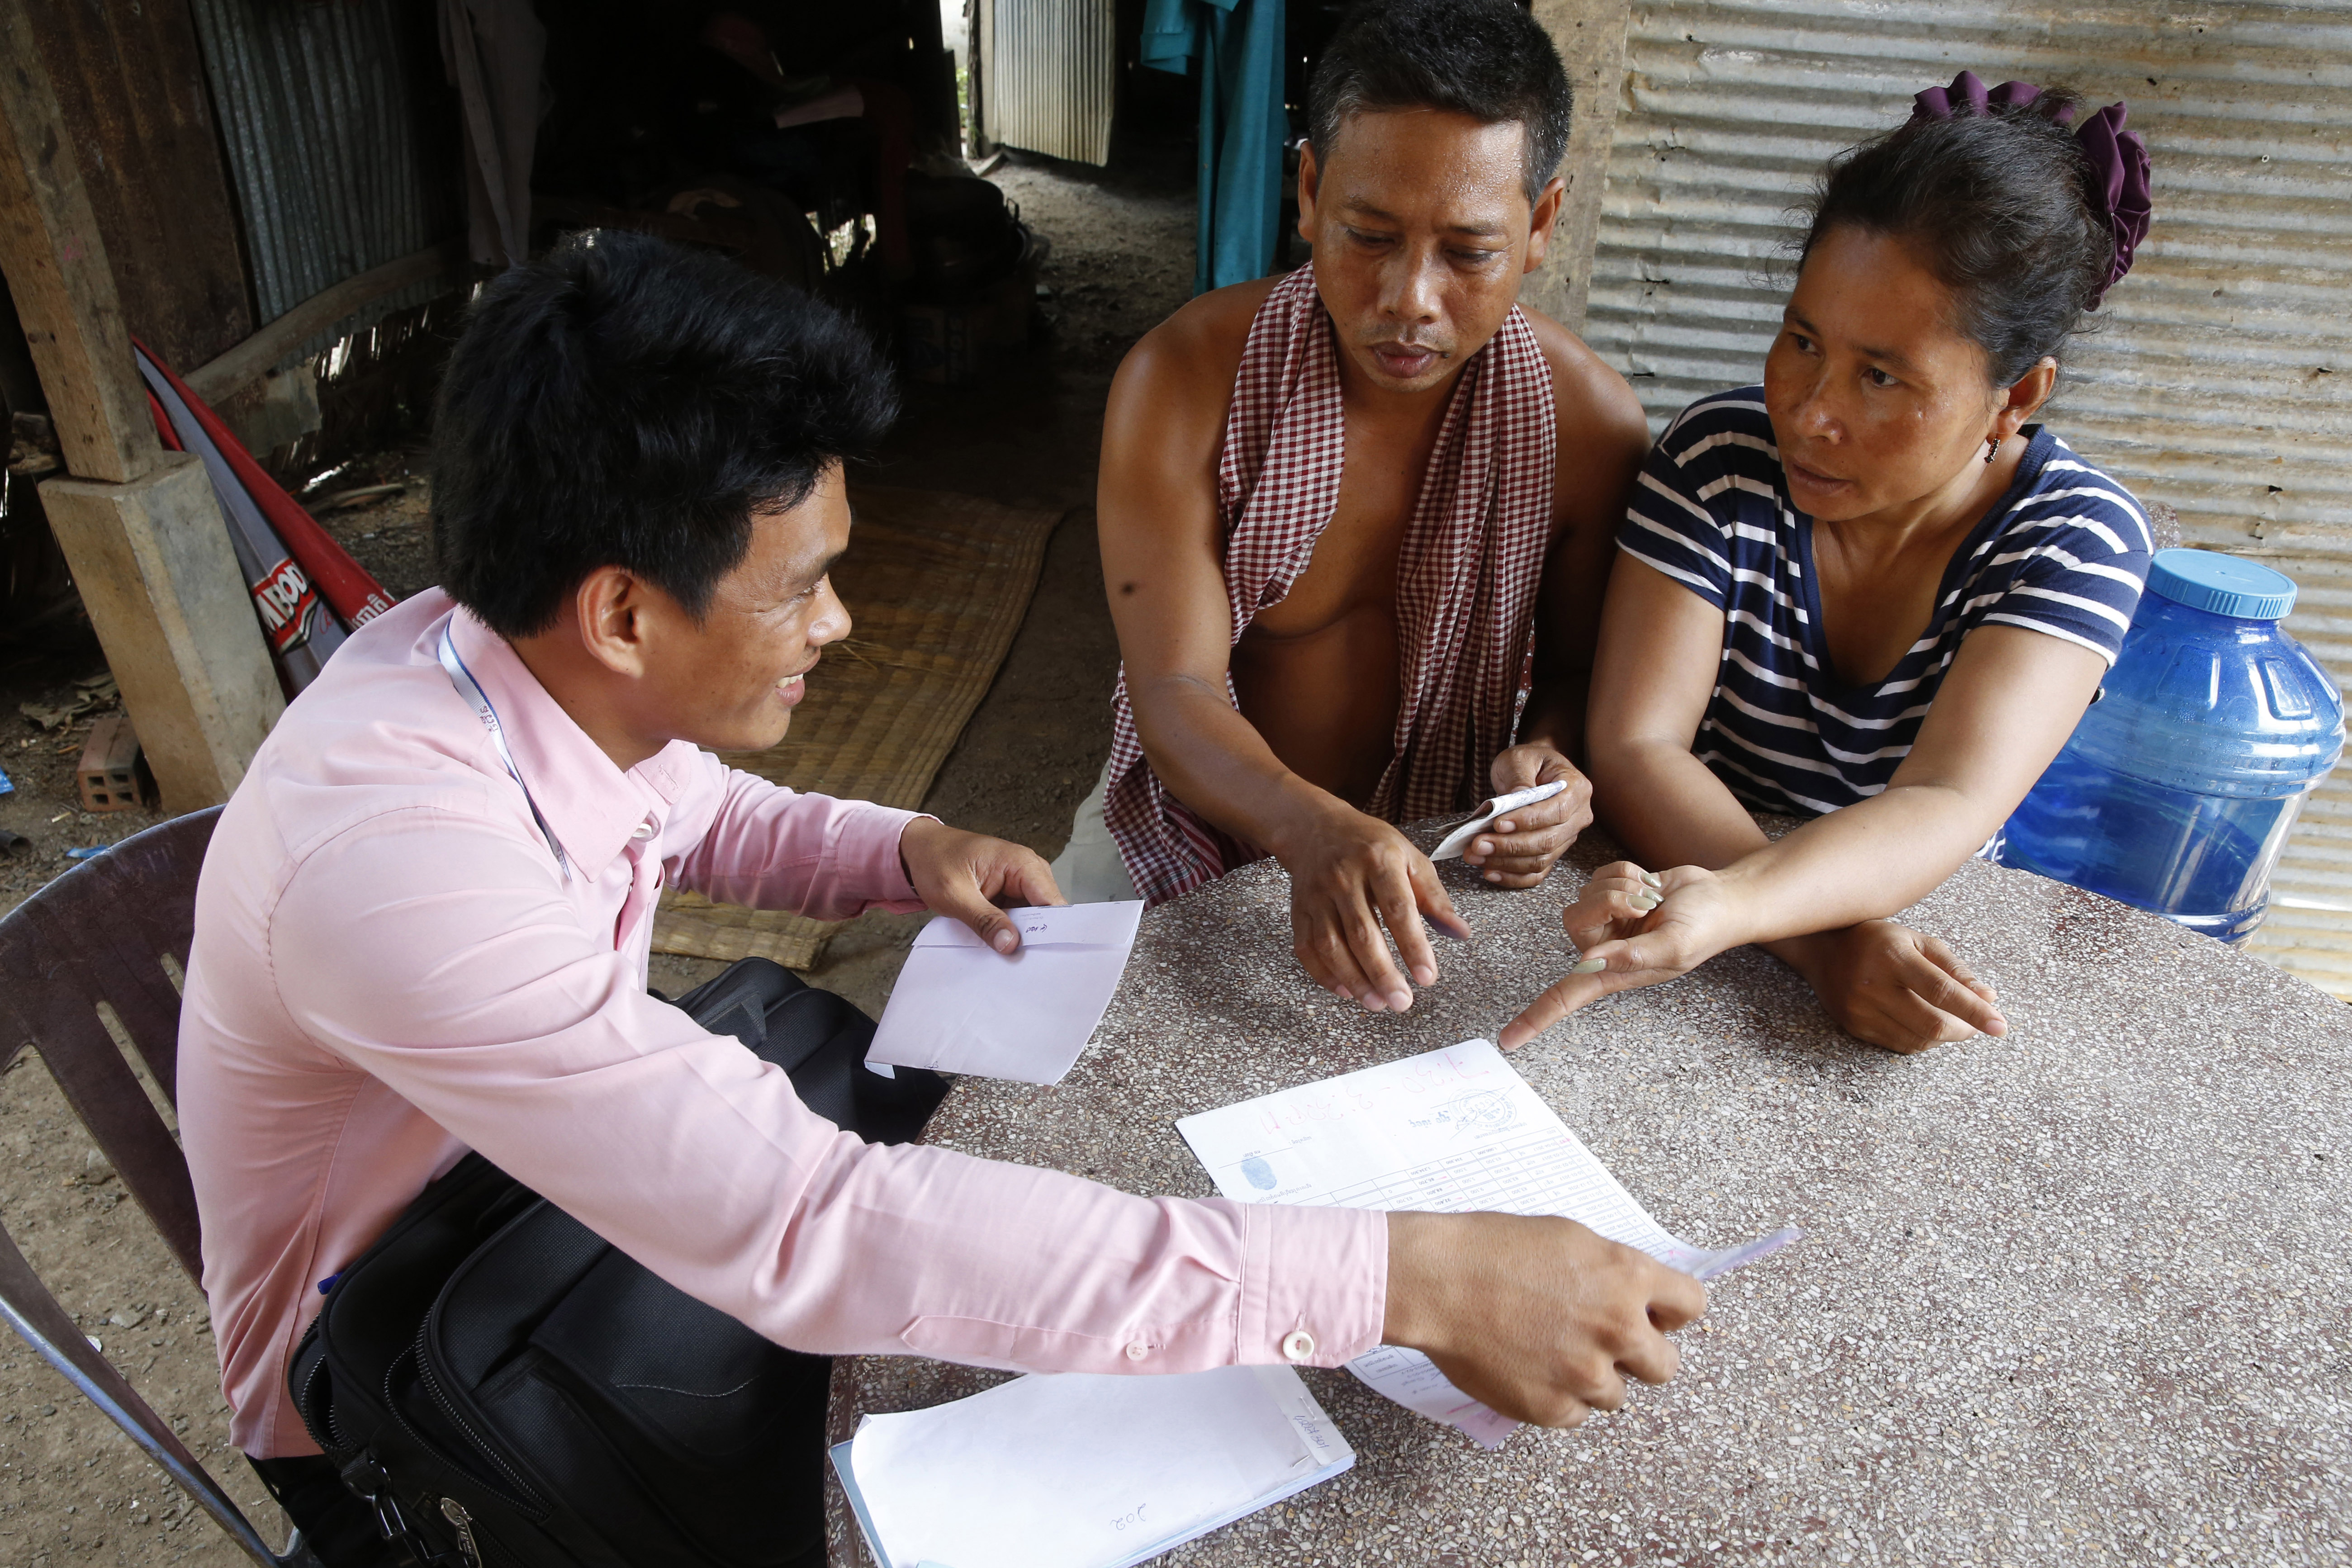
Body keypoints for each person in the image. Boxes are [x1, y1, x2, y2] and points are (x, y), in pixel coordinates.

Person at [178, 232, 1704, 1564]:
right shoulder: (398, 870)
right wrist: (1408, 1272)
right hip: (399, 1371)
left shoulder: (500, 653)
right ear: (626, 612)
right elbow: (812, 1224)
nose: (838, 621)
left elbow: (686, 801)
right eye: (801, 586)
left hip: (557, 1202)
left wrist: (901, 847)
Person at [1501, 72, 2156, 1055]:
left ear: (2015, 394)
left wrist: (1746, 914)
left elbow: (1943, 800)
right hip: (1678, 902)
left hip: (1919, 945)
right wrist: (1812, 948)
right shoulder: (1719, 461)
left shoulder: (2074, 538)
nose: (1809, 413)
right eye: (1800, 341)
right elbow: (1637, 746)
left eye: (1881, 377)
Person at [1062, 0, 1651, 1019]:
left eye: (1467, 252)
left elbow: (1569, 673)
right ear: (1305, 190)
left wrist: (1551, 772)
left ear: (1542, 224)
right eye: (1368, 236)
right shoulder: (1186, 383)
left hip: (1435, 860)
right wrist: (1313, 829)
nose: (1408, 297)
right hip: (1179, 832)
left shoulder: (1586, 428)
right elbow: (1173, 694)